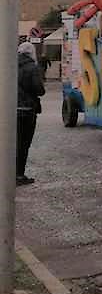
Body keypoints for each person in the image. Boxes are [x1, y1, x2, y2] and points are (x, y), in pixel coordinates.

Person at [16, 42, 45, 186]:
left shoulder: (9, 65)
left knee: (11, 143)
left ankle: (7, 173)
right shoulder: (32, 68)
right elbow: (39, 89)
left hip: (10, 110)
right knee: (23, 144)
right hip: (27, 110)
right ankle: (19, 175)